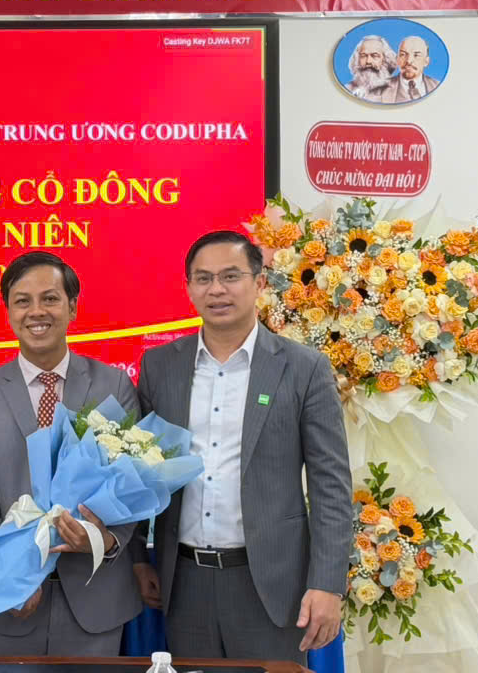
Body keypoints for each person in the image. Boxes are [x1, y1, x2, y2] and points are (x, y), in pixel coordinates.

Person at [129, 231, 352, 665]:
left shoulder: (303, 368)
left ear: (259, 282)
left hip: (271, 583)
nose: (216, 289)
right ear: (188, 288)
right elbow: (139, 473)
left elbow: (331, 486)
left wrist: (328, 583)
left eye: (230, 276)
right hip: (183, 583)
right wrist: (139, 558)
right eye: (203, 278)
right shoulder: (160, 365)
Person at [0, 251, 141, 656]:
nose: (36, 312)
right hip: (8, 607)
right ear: (9, 312)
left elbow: (133, 488)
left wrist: (105, 539)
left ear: (72, 308)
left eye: (50, 299)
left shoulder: (113, 386)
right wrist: (10, 578)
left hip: (95, 602)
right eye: (22, 301)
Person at [368, 36, 441, 103]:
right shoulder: (379, 90)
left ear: (426, 61)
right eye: (403, 54)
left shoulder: (438, 86)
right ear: (397, 59)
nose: (409, 61)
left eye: (416, 55)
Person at [343, 35, 396, 99]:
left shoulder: (396, 90)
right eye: (363, 56)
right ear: (357, 59)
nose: (368, 61)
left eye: (374, 56)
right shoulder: (347, 89)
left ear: (385, 59)